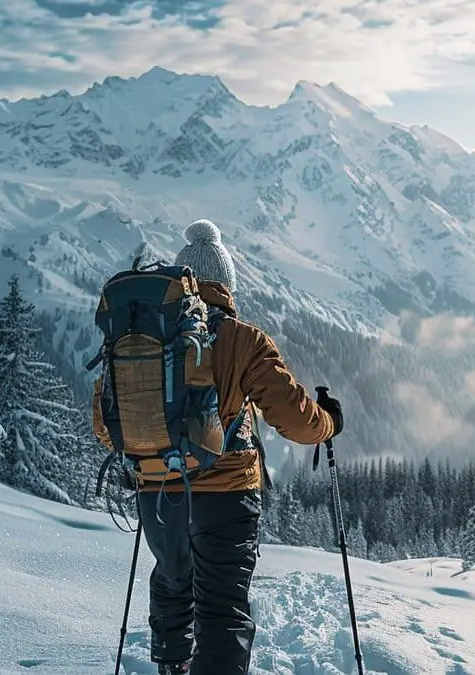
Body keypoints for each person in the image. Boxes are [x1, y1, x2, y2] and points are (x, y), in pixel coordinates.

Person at [91, 219, 343, 674]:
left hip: (159, 489)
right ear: (226, 283)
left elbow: (106, 426)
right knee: (222, 611)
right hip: (227, 496)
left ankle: (172, 667)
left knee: (171, 583)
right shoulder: (243, 340)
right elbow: (295, 420)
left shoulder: (144, 334)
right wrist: (330, 422)